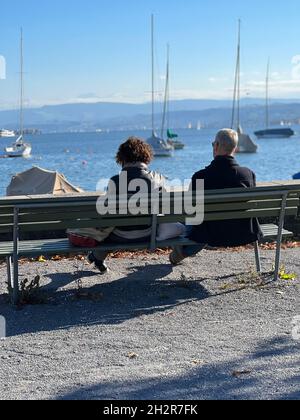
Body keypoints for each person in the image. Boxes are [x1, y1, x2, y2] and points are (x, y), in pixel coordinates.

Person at [170, 128, 263, 265]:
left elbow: (192, 211)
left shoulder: (200, 177)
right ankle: (181, 252)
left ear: (217, 146)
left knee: (189, 220)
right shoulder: (248, 175)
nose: (213, 146)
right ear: (235, 149)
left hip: (210, 234)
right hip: (243, 231)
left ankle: (182, 252)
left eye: (213, 144)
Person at [88, 137, 179, 274]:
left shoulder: (114, 181)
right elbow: (165, 206)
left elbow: (108, 213)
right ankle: (178, 255)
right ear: (145, 156)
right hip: (149, 233)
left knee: (107, 228)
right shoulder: (157, 179)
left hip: (119, 235)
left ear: (122, 158)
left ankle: (97, 257)